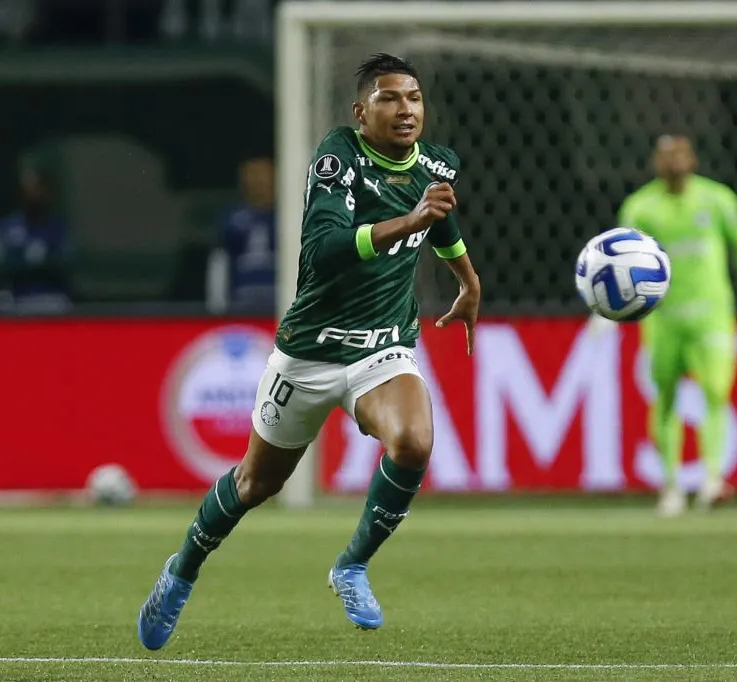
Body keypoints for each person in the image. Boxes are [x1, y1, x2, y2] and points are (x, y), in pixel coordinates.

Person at [138, 53, 481, 648]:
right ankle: (182, 569)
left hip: (382, 349)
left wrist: (467, 279)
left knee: (414, 441)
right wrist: (410, 220)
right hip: (310, 352)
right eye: (390, 98)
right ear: (361, 112)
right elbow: (323, 249)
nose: (406, 109)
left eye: (414, 98)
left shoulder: (436, 163)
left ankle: (352, 565)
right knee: (255, 484)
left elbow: (440, 219)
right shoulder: (338, 158)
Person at [591, 135, 737, 517]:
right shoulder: (640, 207)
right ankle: (670, 486)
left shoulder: (717, 199)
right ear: (655, 163)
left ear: (693, 159)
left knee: (716, 391)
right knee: (666, 398)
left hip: (711, 316)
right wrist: (606, 309)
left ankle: (712, 480)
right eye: (666, 156)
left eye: (679, 155)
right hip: (663, 319)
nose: (673, 162)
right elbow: (618, 262)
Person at [0, 148, 72, 314]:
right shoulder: (5, 228)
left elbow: (67, 261)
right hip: (16, 299)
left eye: (38, 186)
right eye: (27, 186)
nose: (33, 193)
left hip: (51, 299)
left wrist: (39, 263)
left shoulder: (58, 228)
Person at [206, 157, 277, 313]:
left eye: (263, 174)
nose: (258, 182)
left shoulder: (292, 220)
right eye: (251, 175)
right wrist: (217, 308)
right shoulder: (232, 220)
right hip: (242, 306)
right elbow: (219, 264)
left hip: (281, 302)